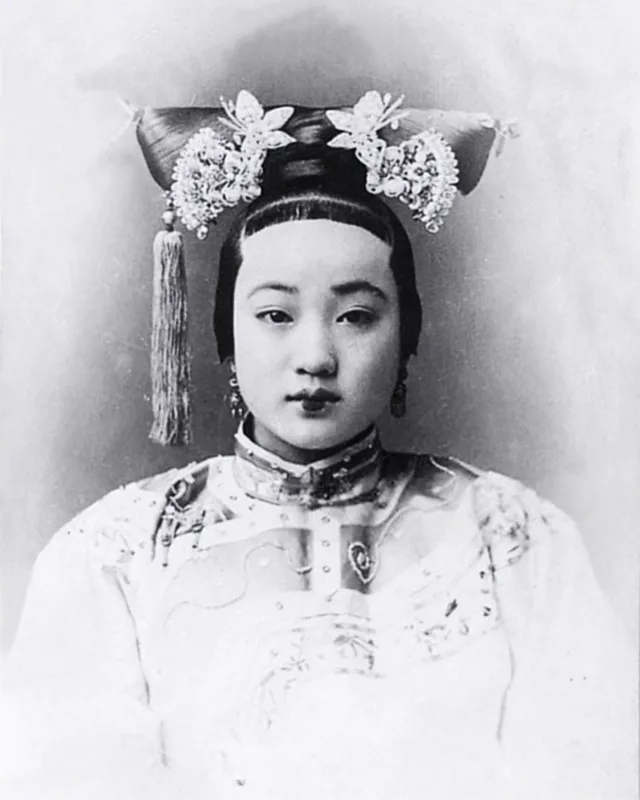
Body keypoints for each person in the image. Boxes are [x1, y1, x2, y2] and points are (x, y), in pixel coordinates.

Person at [1, 91, 636, 800]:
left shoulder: (512, 538)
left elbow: (589, 765)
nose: (316, 356)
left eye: (357, 316)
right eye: (275, 314)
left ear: (406, 341)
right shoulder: (115, 553)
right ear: (226, 343)